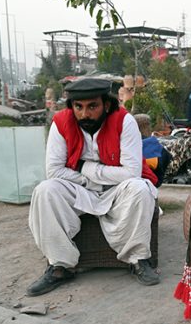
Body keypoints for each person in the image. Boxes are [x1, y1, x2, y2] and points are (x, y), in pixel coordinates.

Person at [26, 78, 160, 297]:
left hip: (117, 189)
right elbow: (54, 171)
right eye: (78, 107)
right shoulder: (60, 123)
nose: (84, 114)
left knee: (139, 188)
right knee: (45, 190)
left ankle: (138, 260)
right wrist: (92, 180)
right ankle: (60, 266)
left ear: (106, 105)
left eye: (92, 106)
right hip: (80, 188)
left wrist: (85, 167)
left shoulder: (124, 122)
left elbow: (131, 172)